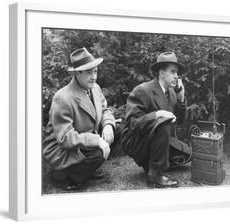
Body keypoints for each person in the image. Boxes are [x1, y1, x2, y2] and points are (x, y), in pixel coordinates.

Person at [43, 47, 115, 190]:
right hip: (62, 149)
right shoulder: (63, 97)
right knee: (98, 154)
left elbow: (105, 110)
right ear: (77, 73)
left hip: (84, 141)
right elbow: (66, 139)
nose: (94, 76)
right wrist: (96, 140)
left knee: (116, 132)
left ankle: (85, 170)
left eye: (95, 71)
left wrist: (107, 125)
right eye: (89, 72)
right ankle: (64, 175)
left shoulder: (95, 88)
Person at [121, 52, 188, 188]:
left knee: (187, 154)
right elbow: (132, 124)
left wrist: (181, 99)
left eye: (177, 73)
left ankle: (154, 164)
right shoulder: (143, 90)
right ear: (161, 73)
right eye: (173, 72)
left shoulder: (173, 94)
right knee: (162, 122)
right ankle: (155, 174)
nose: (177, 76)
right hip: (135, 140)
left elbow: (179, 122)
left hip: (156, 138)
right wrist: (157, 114)